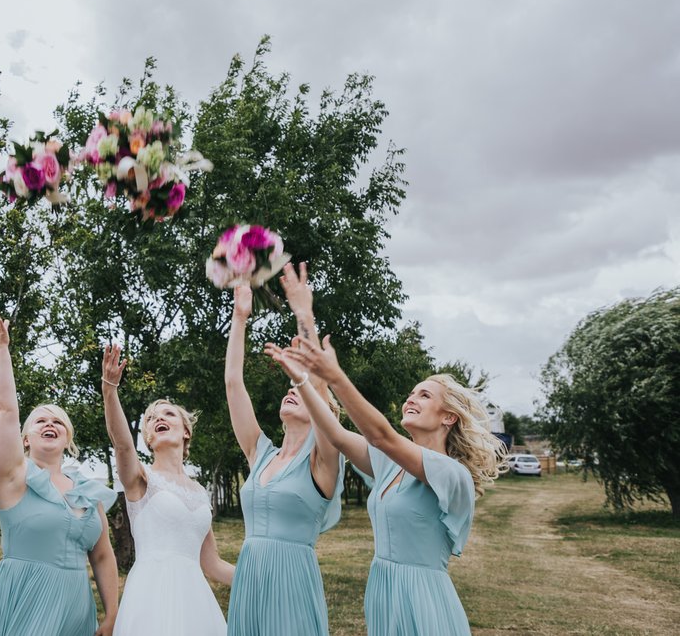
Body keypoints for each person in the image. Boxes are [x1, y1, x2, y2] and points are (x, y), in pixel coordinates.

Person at [265, 263, 506, 636]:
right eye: (411, 393)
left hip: (424, 600)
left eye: (424, 395)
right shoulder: (389, 465)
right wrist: (304, 332)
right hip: (384, 595)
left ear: (448, 418)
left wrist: (335, 376)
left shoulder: (448, 473)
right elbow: (332, 430)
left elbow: (381, 436)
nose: (411, 399)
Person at [0, 307, 118, 636]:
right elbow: (6, 410)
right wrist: (1, 349)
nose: (50, 423)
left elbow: (102, 556)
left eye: (58, 421)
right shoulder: (14, 477)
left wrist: (112, 613)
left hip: (75, 608)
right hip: (22, 600)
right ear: (24, 439)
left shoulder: (88, 491)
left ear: (67, 438)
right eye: (41, 420)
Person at [224, 284, 345, 636]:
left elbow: (320, 388)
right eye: (290, 388)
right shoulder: (260, 453)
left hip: (292, 581)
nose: (292, 390)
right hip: (250, 579)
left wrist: (304, 317)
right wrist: (239, 318)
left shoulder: (323, 461)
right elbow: (234, 385)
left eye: (300, 391)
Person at [101, 345, 232, 636]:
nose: (158, 418)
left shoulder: (200, 493)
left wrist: (261, 577)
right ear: (148, 437)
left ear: (186, 431)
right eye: (151, 419)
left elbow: (212, 564)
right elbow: (122, 444)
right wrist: (110, 391)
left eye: (168, 414)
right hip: (151, 597)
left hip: (195, 601)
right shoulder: (141, 478)